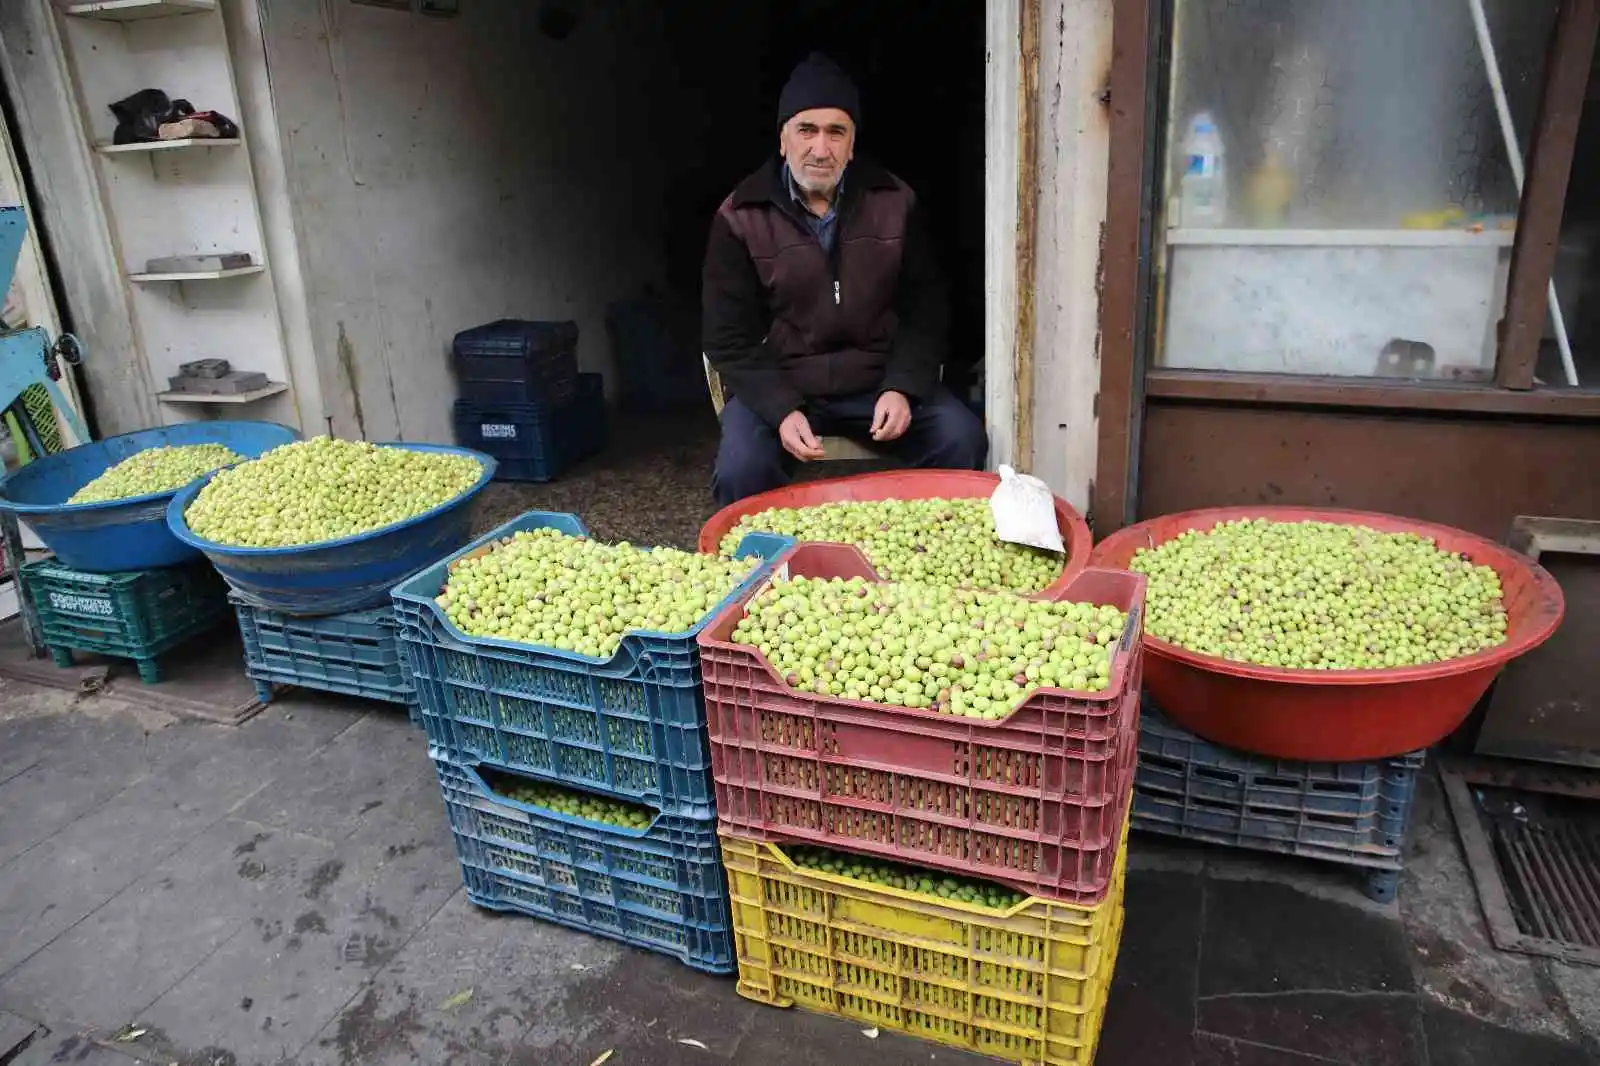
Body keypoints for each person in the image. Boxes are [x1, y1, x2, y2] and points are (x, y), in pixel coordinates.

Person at [702, 52, 988, 507]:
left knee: (961, 438)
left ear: (852, 145)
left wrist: (902, 386)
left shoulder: (894, 201)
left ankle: (933, 557)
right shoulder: (740, 216)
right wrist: (780, 408)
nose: (821, 148)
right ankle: (755, 568)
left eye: (837, 132)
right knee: (742, 468)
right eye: (807, 130)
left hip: (877, 383)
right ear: (783, 140)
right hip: (784, 384)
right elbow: (727, 338)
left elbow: (927, 309)